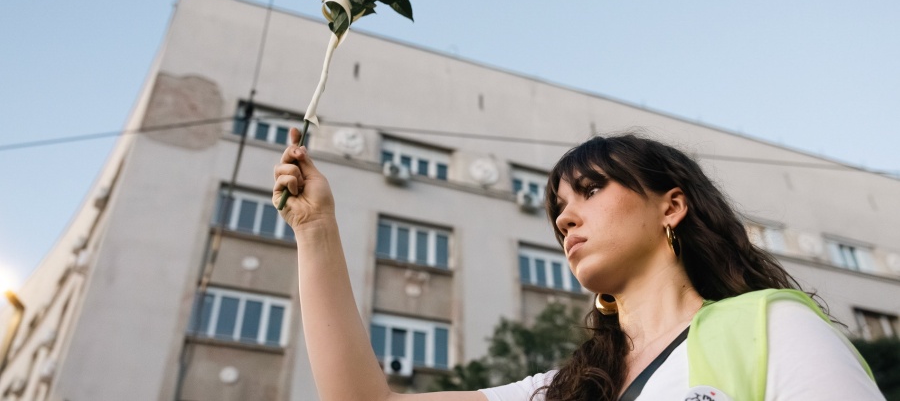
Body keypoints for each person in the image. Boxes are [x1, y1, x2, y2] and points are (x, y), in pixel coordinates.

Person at [273, 129, 884, 400]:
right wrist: (315, 230)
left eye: (590, 191)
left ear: (671, 205)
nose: (564, 219)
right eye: (557, 208)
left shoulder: (771, 328)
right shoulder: (564, 390)